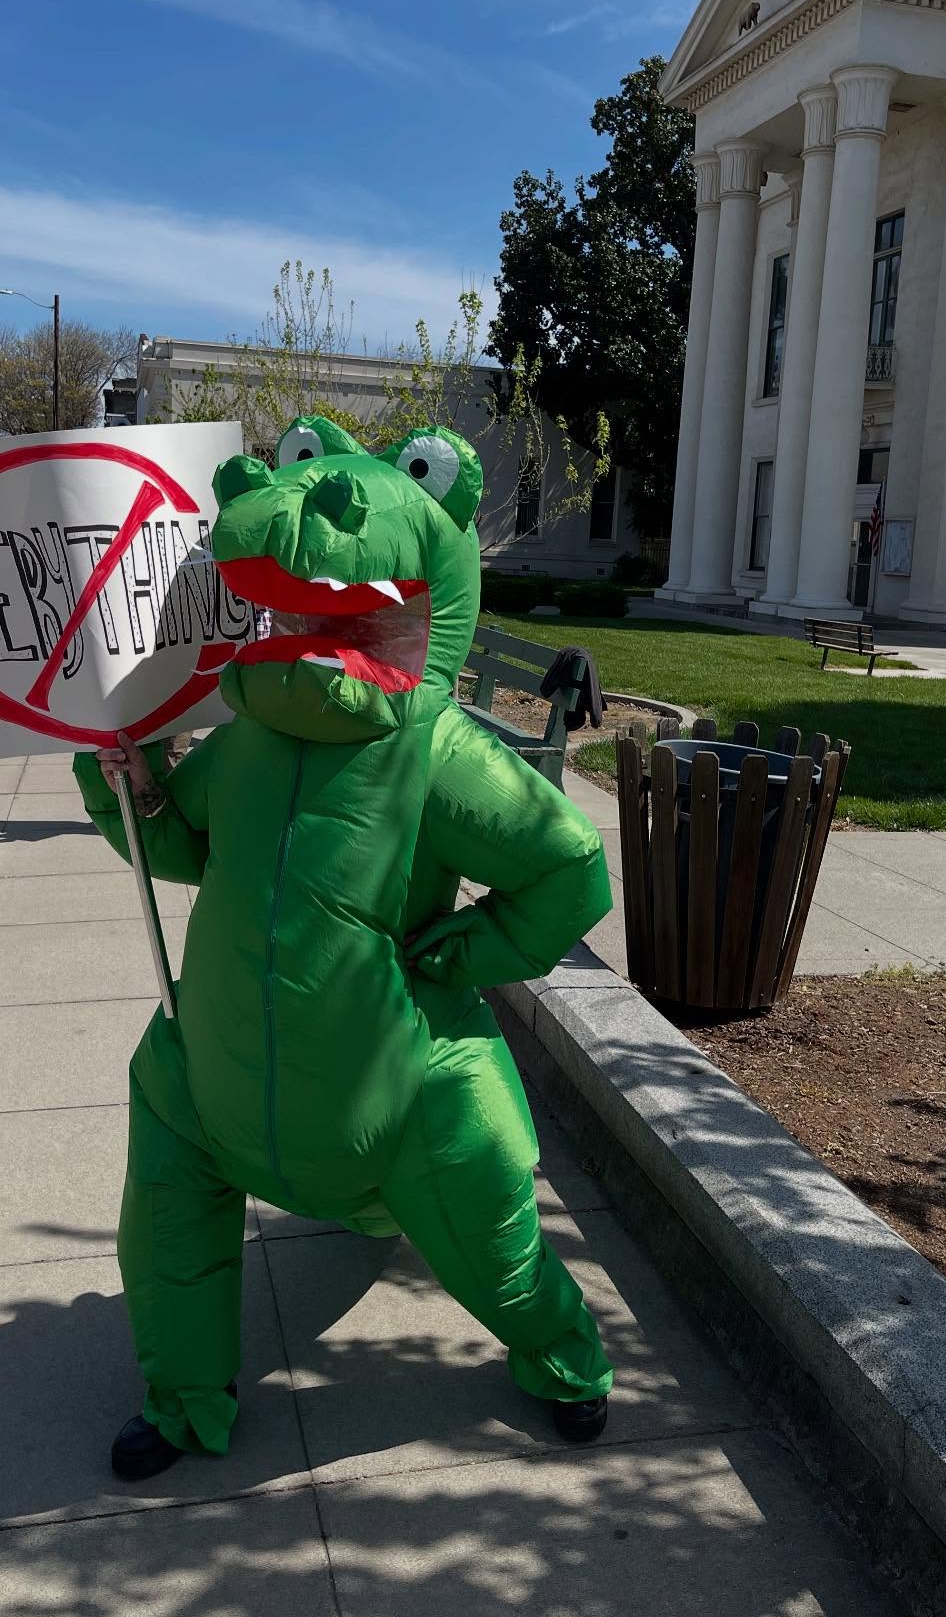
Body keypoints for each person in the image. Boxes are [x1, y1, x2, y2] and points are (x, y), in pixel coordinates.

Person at [76, 416, 614, 1482]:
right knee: (166, 1212)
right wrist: (124, 784)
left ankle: (565, 1355)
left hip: (396, 1092)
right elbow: (180, 850)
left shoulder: (436, 751)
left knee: (500, 1258)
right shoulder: (243, 741)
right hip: (212, 1074)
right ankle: (185, 1398)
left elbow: (568, 870)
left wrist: (465, 956)